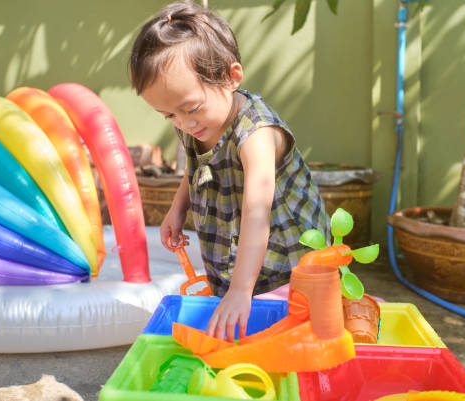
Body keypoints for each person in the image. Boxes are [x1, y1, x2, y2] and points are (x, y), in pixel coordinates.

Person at [129, 0, 329, 342]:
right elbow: (195, 163)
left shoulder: (257, 134)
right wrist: (179, 208)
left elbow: (256, 212)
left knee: (286, 332)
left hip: (287, 261)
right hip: (237, 252)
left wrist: (240, 290)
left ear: (230, 77)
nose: (183, 123)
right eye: (170, 116)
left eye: (190, 109)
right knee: (241, 325)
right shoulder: (197, 122)